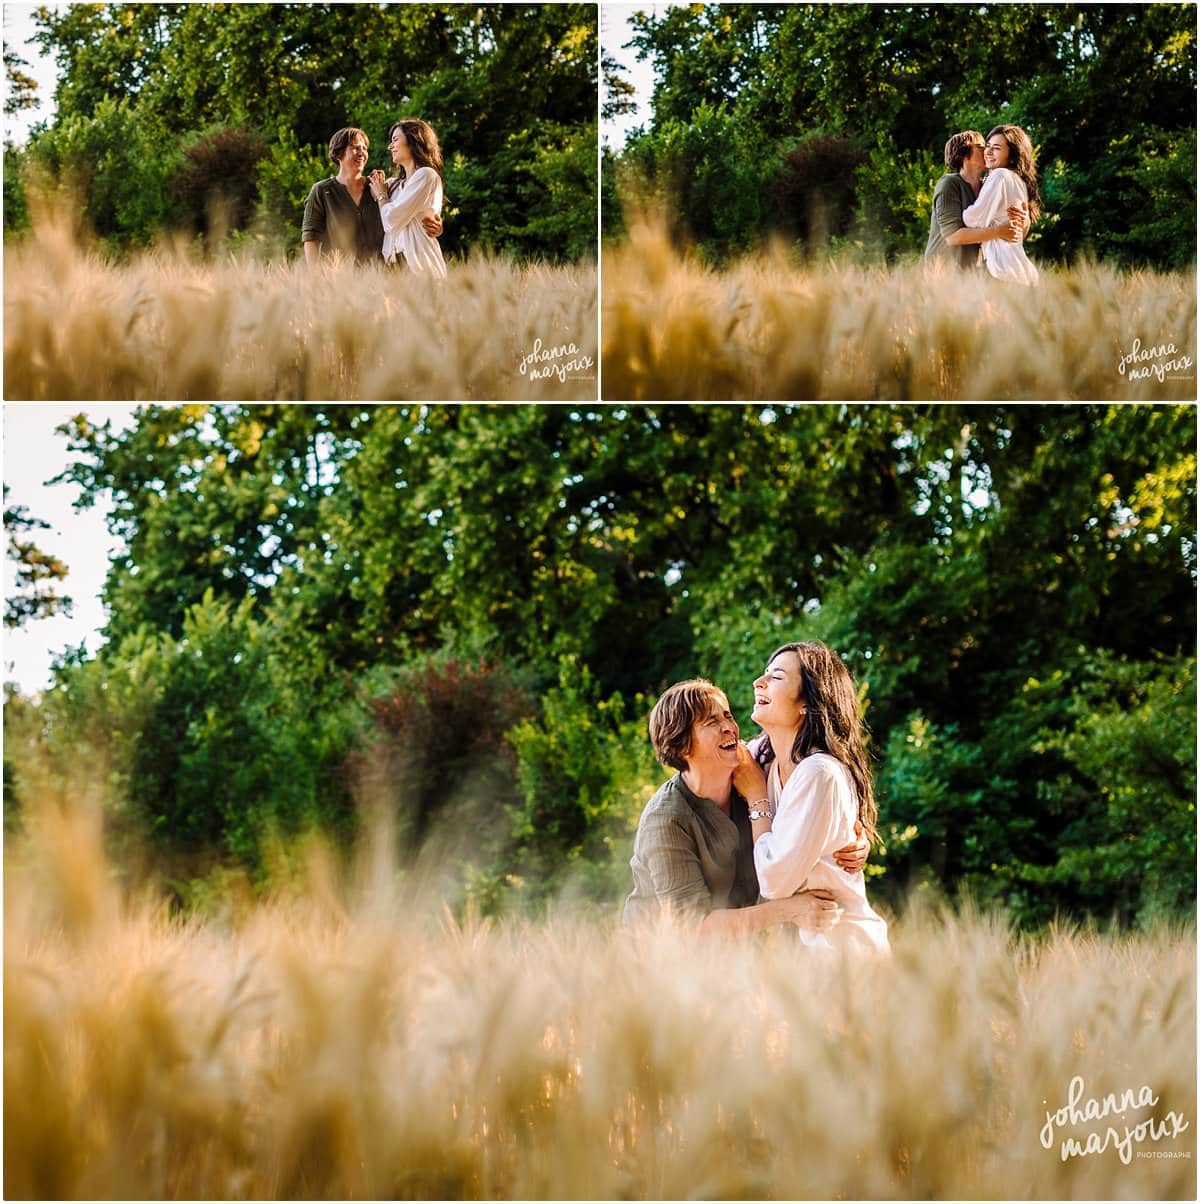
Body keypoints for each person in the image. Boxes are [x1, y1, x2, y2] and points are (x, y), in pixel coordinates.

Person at [623, 678, 870, 935]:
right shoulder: (666, 819)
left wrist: (850, 842)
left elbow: (809, 813)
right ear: (682, 745)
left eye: (727, 716)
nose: (729, 727)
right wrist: (790, 910)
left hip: (737, 957)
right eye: (712, 722)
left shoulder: (754, 770)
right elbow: (691, 931)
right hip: (658, 961)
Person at [732, 642, 889, 955]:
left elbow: (774, 882)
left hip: (845, 954)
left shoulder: (819, 774)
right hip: (800, 961)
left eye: (775, 678)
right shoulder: (763, 759)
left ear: (807, 701)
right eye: (763, 675)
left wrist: (757, 800)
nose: (758, 683)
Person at [301, 126, 441, 266]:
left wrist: (434, 224)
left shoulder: (380, 188)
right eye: (355, 148)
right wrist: (316, 276)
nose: (362, 152)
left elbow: (407, 211)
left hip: (381, 276)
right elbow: (310, 237)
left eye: (364, 148)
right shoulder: (321, 191)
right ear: (338, 154)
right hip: (340, 277)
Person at [924, 129, 1027, 268]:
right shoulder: (949, 184)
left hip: (974, 274)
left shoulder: (989, 186)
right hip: (943, 272)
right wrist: (999, 232)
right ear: (964, 156)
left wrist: (1023, 221)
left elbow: (1014, 234)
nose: (986, 151)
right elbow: (953, 236)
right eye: (981, 147)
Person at [367, 118, 447, 278]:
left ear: (413, 140)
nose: (390, 146)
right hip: (394, 270)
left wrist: (382, 195)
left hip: (420, 268)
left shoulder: (426, 175)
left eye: (395, 139)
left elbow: (391, 220)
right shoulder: (394, 185)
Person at [961, 124, 1041, 286]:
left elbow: (972, 219)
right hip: (1016, 269)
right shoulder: (1017, 179)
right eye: (988, 146)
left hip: (999, 269)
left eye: (996, 148)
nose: (988, 152)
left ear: (1011, 156)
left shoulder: (1000, 176)